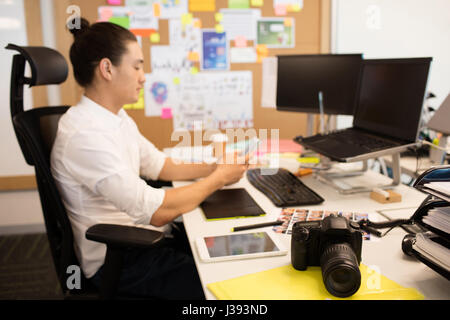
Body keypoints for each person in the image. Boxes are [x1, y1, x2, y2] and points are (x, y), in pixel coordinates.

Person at [50, 17, 248, 299]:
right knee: (225, 289)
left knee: (230, 254)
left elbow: (159, 165)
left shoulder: (114, 117)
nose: (143, 76)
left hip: (143, 240)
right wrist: (218, 179)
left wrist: (218, 167)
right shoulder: (84, 135)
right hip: (121, 261)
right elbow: (156, 213)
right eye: (137, 66)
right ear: (107, 68)